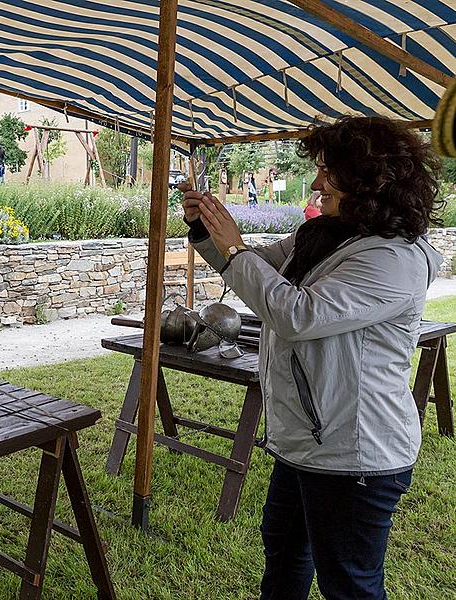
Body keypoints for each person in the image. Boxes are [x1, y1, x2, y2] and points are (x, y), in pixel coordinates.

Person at [181, 116, 444, 600]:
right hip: (306, 442)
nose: (317, 182)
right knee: (284, 560)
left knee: (350, 585)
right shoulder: (322, 234)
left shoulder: (394, 258)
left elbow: (298, 315)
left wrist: (234, 246)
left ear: (371, 178)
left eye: (329, 170)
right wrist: (206, 230)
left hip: (355, 453)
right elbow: (249, 266)